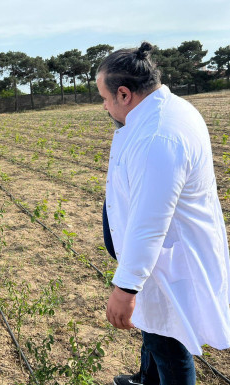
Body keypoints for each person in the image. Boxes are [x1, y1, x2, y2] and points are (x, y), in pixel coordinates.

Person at [96, 42, 230, 385]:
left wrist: (125, 288)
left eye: (106, 98)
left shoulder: (159, 134)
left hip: (167, 263)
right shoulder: (162, 111)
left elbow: (150, 222)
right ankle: (146, 379)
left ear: (124, 94)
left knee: (169, 344)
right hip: (159, 261)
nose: (105, 106)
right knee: (155, 330)